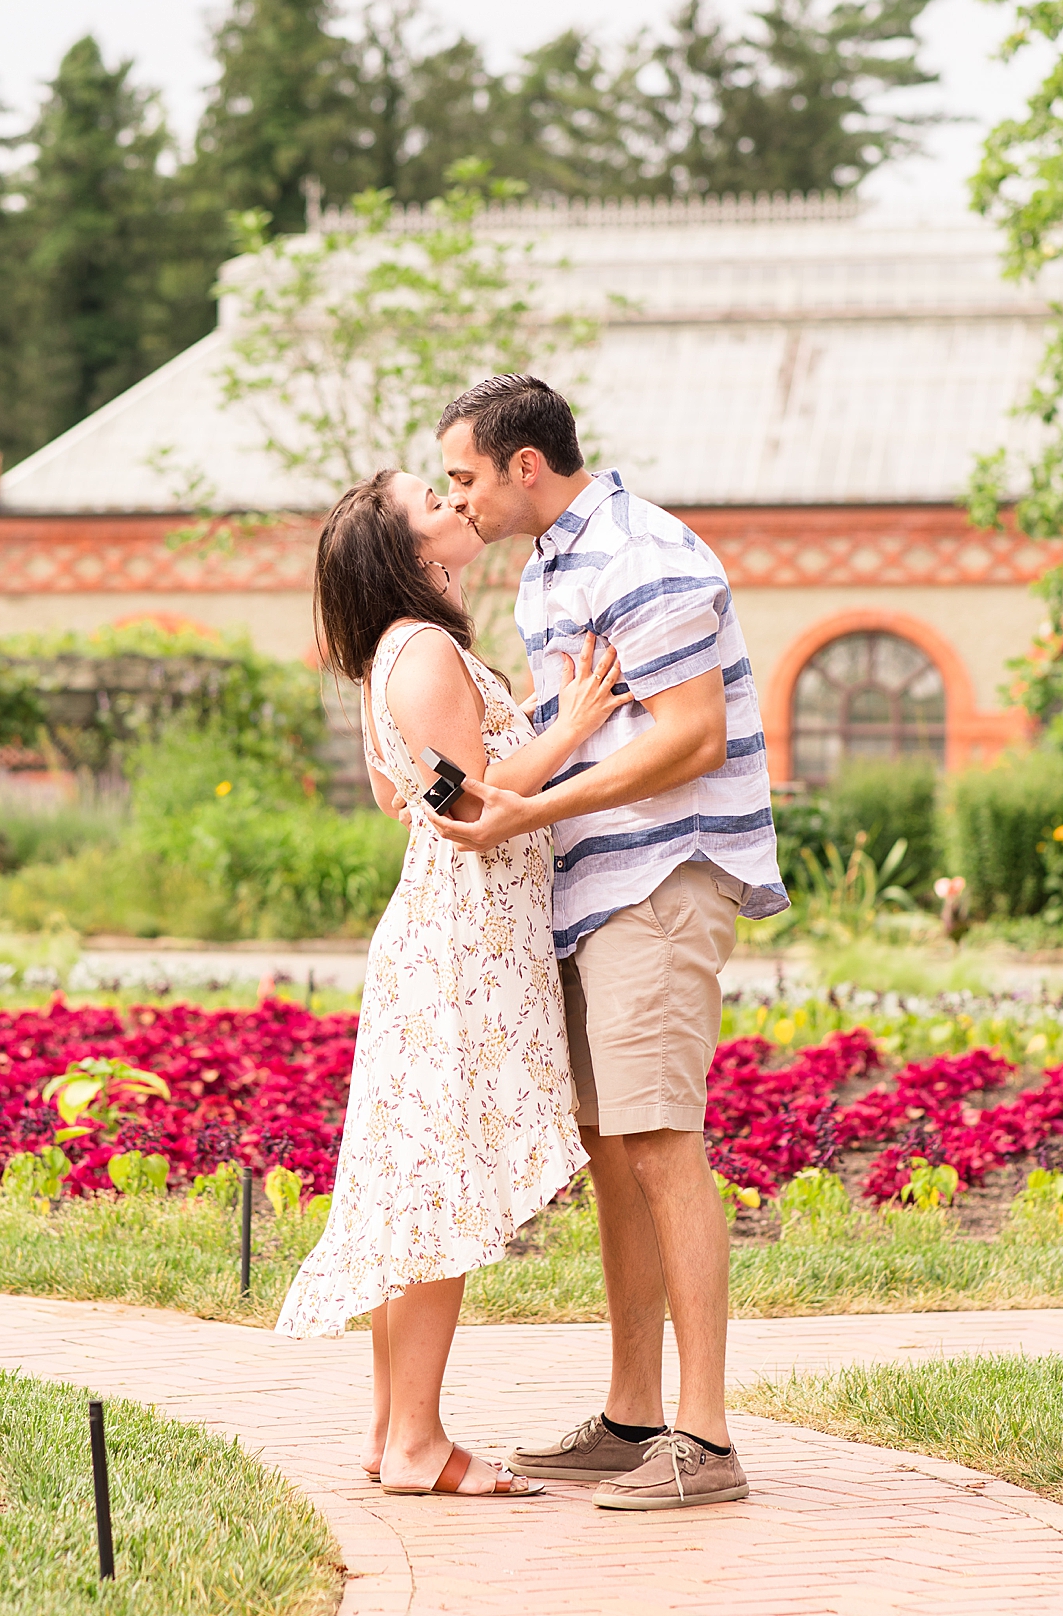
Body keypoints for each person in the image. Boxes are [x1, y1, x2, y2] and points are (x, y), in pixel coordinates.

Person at [432, 374, 790, 1514]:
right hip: (596, 889)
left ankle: (708, 1438)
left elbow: (691, 737)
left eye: (465, 478)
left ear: (523, 466)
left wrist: (527, 810)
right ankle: (636, 1413)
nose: (461, 501)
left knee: (662, 1142)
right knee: (615, 1146)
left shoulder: (645, 555)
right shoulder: (552, 569)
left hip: (662, 878)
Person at [276, 466, 626, 1498]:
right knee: (435, 1190)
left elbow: (402, 788)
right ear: (410, 552)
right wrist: (571, 728)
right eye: (429, 500)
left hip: (440, 938)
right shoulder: (423, 649)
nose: (452, 504)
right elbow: (465, 802)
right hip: (461, 946)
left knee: (414, 1186)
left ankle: (394, 1434)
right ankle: (418, 1440)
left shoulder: (396, 654)